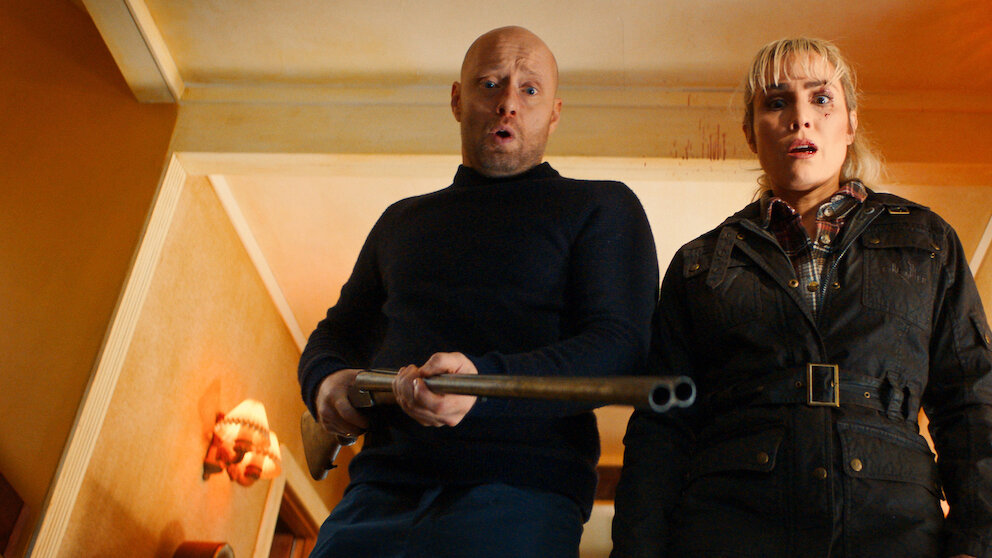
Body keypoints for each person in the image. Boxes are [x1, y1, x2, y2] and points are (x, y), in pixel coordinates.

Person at [611, 37, 992, 558]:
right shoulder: (699, 264)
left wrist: (977, 541)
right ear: (751, 132)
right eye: (776, 102)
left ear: (850, 123)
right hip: (732, 528)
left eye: (821, 99)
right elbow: (661, 430)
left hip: (893, 529)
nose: (800, 118)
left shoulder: (926, 242)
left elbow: (971, 400)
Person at [299, 26, 659, 557]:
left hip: (521, 500)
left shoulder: (603, 206)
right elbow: (337, 333)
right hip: (372, 498)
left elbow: (621, 348)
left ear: (554, 113)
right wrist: (326, 383)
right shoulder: (400, 220)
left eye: (530, 89)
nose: (508, 102)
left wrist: (482, 386)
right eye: (490, 83)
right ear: (456, 99)